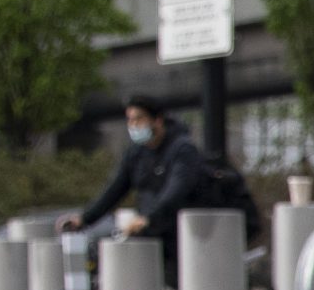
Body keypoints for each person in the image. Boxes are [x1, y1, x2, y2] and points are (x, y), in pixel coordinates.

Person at [63, 95, 215, 256]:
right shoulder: (136, 153)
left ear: (157, 120)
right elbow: (115, 189)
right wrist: (85, 219)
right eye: (130, 120)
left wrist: (148, 218)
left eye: (139, 119)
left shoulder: (182, 149)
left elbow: (176, 190)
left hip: (184, 235)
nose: (133, 125)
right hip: (150, 234)